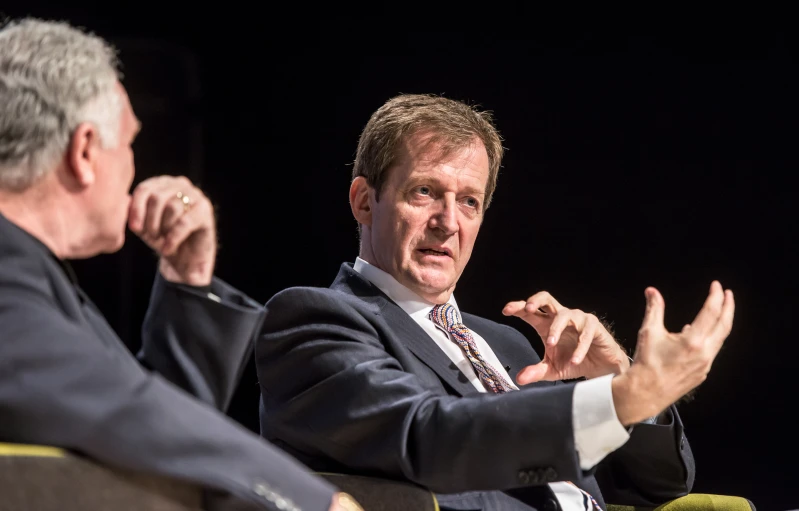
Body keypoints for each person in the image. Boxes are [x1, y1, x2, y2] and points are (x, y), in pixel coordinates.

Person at [255, 94, 735, 511]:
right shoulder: (313, 322)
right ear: (364, 201)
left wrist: (615, 380)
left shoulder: (509, 345)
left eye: (469, 201)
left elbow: (662, 486)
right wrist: (617, 400)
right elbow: (426, 436)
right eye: (424, 191)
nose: (448, 222)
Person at [0, 18, 362, 511]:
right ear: (84, 151)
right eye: (128, 144)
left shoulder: (30, 274)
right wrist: (317, 501)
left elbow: (150, 441)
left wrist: (188, 279)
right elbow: (120, 407)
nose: (135, 165)